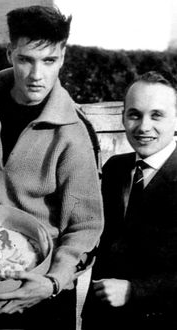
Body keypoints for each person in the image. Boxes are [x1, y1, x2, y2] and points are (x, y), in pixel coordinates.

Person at [0, 5, 104, 330]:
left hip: (39, 293)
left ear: (63, 57)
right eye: (26, 59)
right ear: (9, 53)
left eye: (49, 61)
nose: (36, 74)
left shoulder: (73, 132)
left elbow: (85, 228)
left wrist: (55, 281)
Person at [82, 71, 177, 330]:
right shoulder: (116, 168)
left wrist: (136, 290)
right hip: (102, 320)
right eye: (134, 114)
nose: (143, 126)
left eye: (157, 115)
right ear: (123, 117)